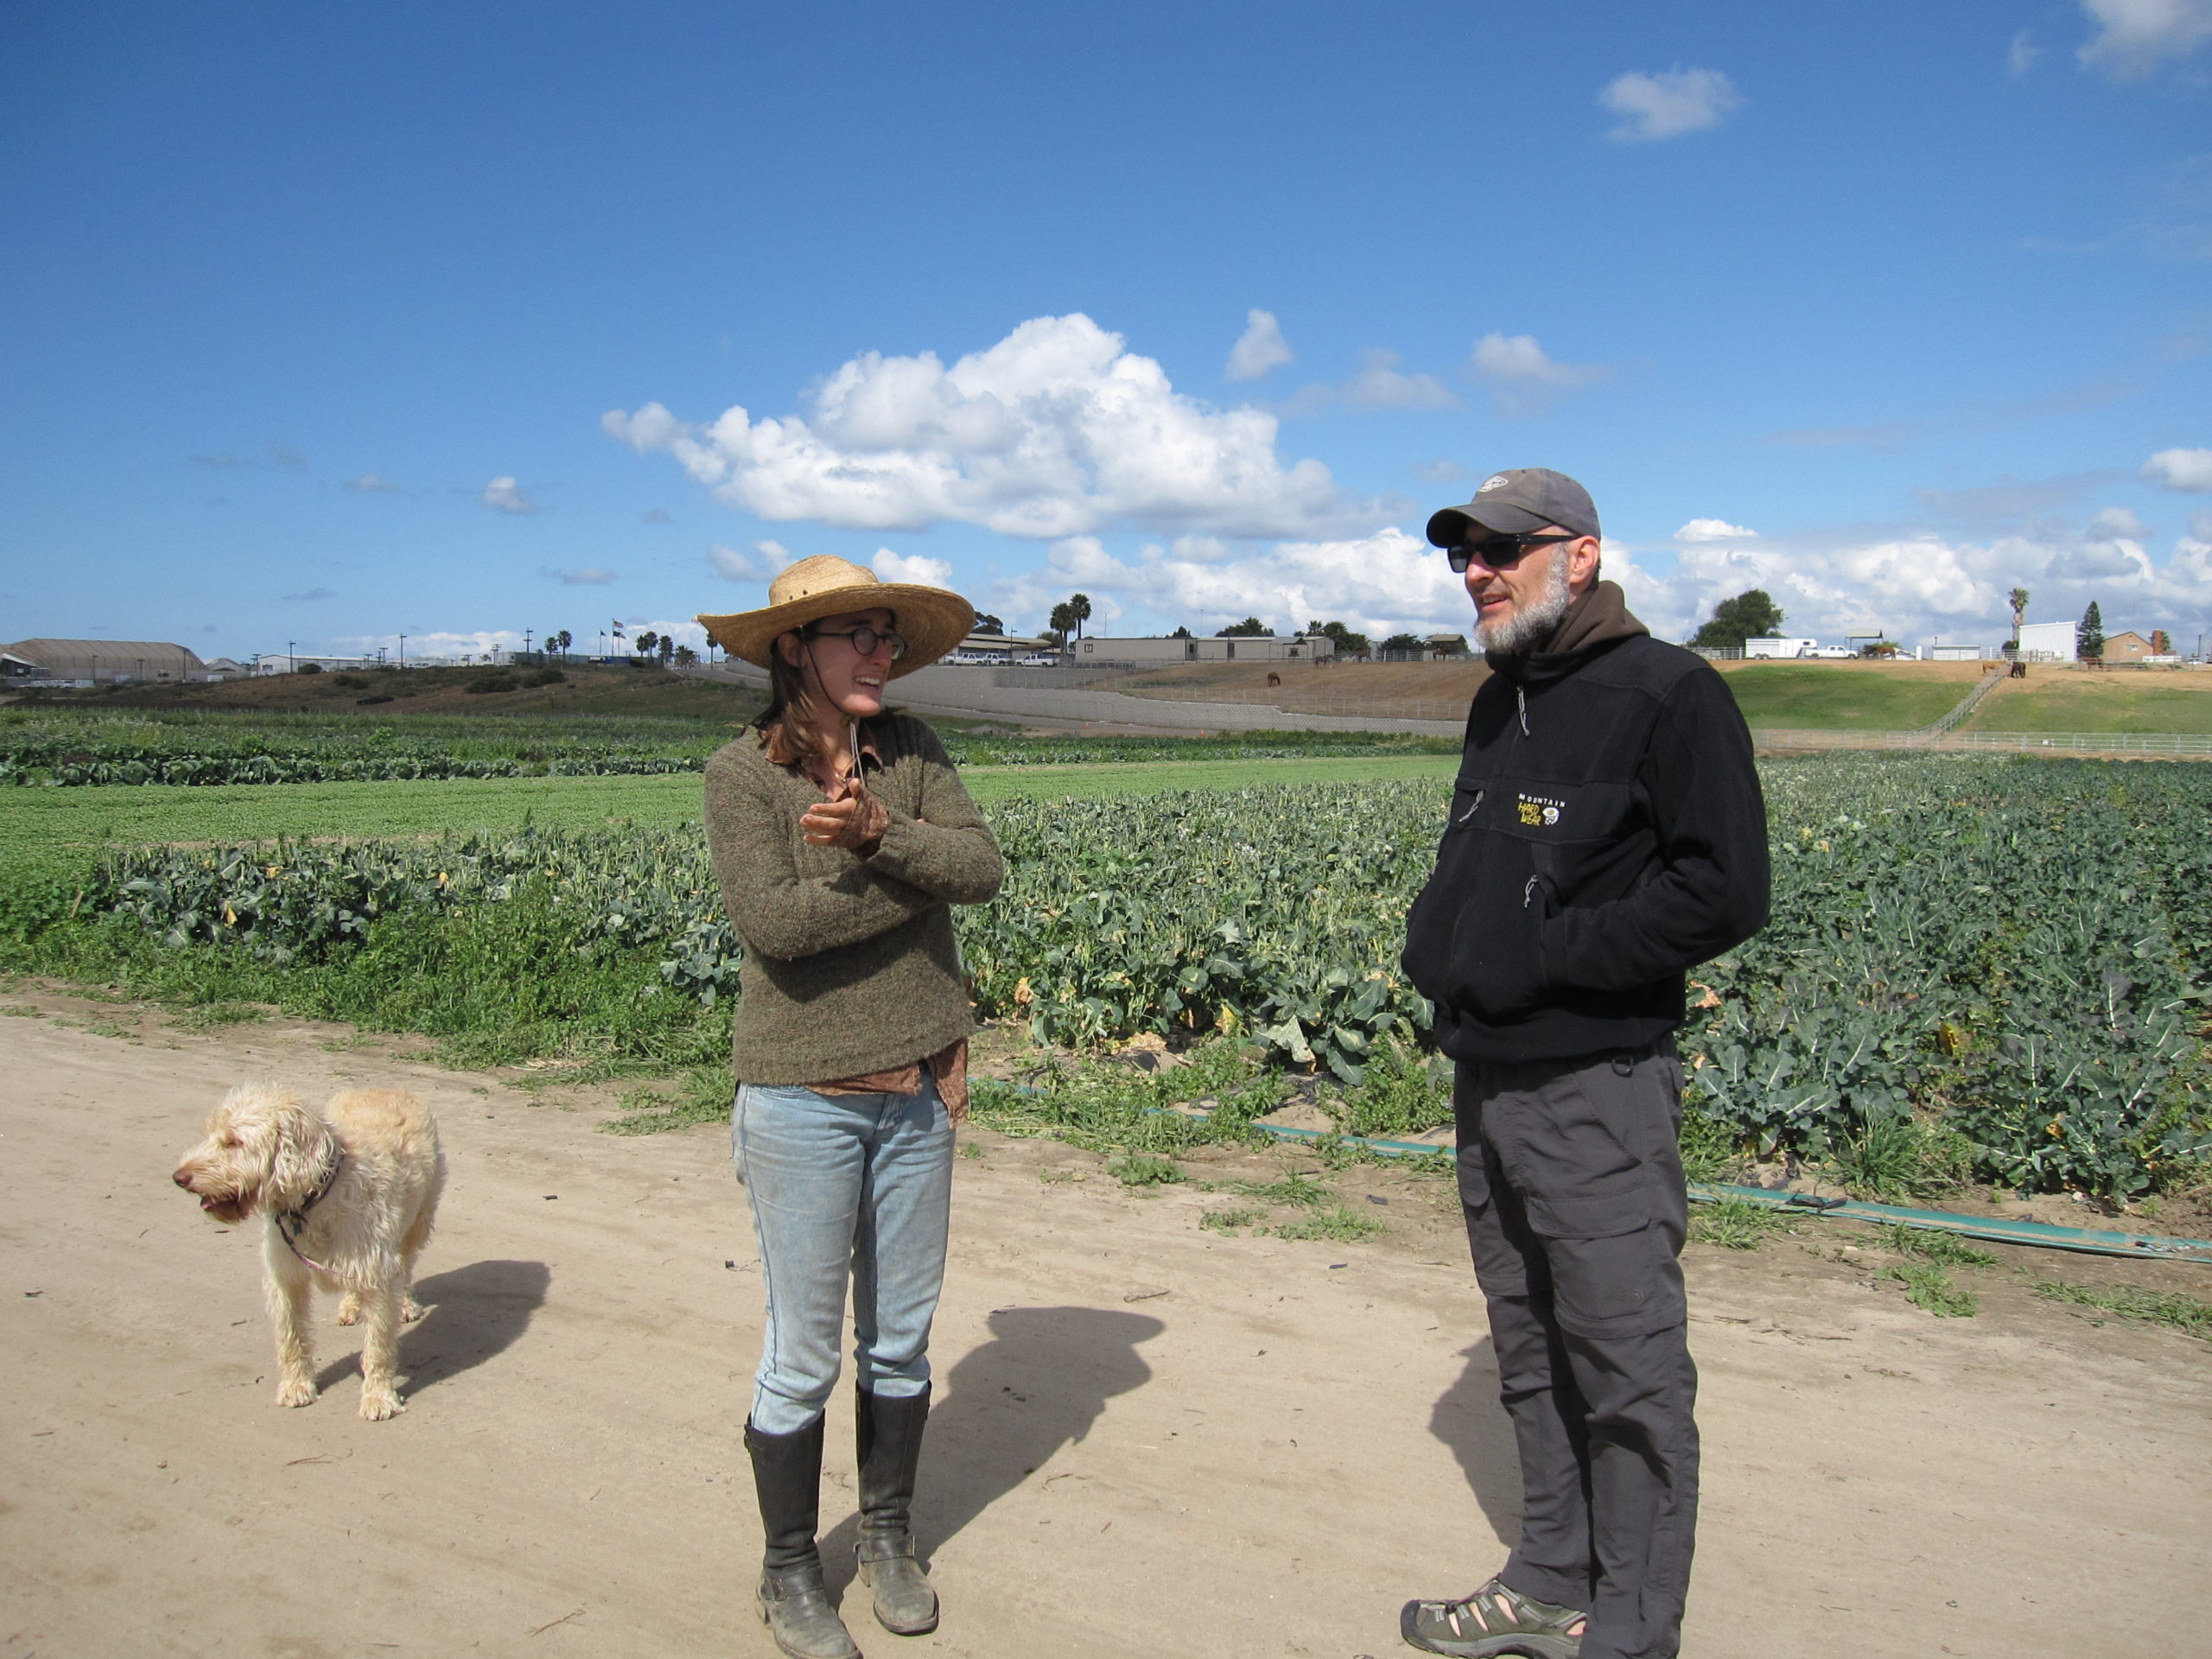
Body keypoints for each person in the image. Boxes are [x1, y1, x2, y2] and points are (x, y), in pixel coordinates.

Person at [1397, 469, 1770, 1659]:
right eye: (1465, 552)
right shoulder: (1499, 701)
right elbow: (1486, 870)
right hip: (1487, 1079)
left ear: (1584, 557)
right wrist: (1446, 940)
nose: (1479, 570)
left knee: (1627, 1368)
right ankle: (1550, 1578)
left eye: (1505, 548)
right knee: (1528, 1350)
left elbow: (1725, 889)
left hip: (1596, 1088)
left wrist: (1549, 954)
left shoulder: (1671, 695)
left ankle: (1633, 1631)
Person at [696, 556, 1004, 1659]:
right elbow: (774, 928)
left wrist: (880, 836)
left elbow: (982, 869)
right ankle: (789, 1569)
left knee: (903, 1343)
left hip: (919, 1086)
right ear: (795, 649)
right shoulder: (741, 776)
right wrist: (911, 877)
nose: (880, 650)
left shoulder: (910, 750)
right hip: (801, 1100)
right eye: (857, 634)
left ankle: (886, 1537)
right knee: (801, 1354)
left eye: (887, 634)